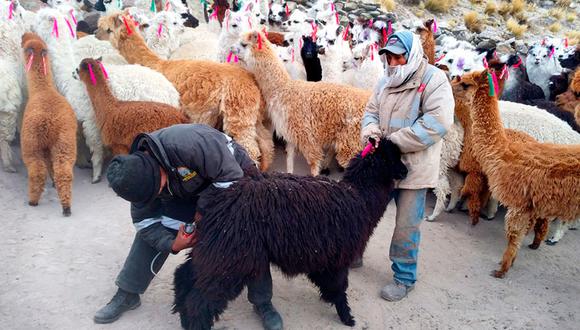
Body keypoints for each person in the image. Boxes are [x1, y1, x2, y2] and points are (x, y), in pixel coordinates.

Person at [94, 124, 283, 330]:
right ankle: (128, 292)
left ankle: (262, 301)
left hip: (234, 178)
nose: (154, 196)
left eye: (156, 190)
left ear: (158, 171)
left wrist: (202, 213)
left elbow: (231, 178)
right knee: (158, 228)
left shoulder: (190, 143)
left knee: (244, 233)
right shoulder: (135, 176)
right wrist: (173, 243)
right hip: (184, 190)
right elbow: (145, 223)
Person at [359, 31, 454, 301]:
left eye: (398, 57)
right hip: (382, 164)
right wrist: (371, 134)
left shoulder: (434, 80)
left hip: (414, 168)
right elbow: (371, 112)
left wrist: (393, 142)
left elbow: (437, 122)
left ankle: (404, 277)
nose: (393, 63)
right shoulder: (385, 81)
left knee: (406, 227)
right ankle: (352, 251)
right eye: (389, 57)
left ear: (411, 55)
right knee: (364, 212)